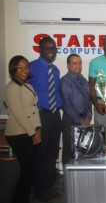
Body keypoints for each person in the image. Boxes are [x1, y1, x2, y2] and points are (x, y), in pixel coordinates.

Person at [27, 37, 62, 201]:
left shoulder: (55, 69)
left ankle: (48, 186)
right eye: (47, 47)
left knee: (52, 153)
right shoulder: (31, 68)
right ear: (40, 49)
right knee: (41, 154)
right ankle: (39, 190)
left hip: (55, 115)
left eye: (54, 48)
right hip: (39, 115)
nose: (51, 50)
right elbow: (24, 92)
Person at [4, 55, 41, 203]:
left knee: (30, 170)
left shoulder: (28, 86)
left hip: (32, 131)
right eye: (20, 67)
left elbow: (34, 109)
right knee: (28, 170)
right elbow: (19, 113)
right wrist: (33, 133)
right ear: (13, 69)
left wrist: (38, 128)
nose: (24, 70)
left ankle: (23, 198)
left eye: (26, 67)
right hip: (18, 133)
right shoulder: (11, 88)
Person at [60, 54, 92, 165]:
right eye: (74, 63)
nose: (78, 66)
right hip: (70, 121)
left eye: (80, 63)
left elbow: (89, 100)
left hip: (84, 120)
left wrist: (88, 117)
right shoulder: (65, 81)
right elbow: (67, 106)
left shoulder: (83, 80)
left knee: (82, 150)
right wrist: (80, 122)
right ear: (68, 65)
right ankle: (67, 179)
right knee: (69, 151)